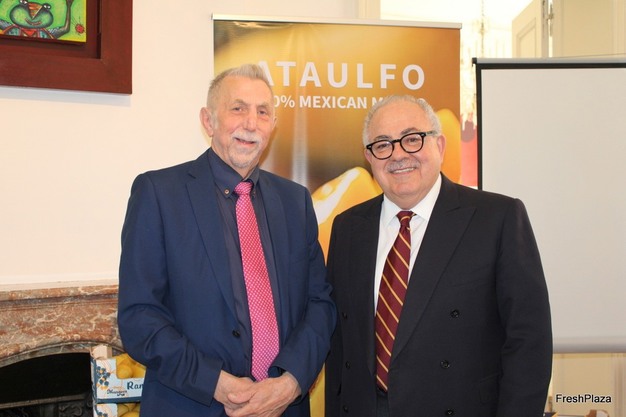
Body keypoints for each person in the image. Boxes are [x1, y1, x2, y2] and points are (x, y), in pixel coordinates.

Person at [117, 64, 336, 417]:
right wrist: (215, 382)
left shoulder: (295, 201)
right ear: (208, 121)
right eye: (238, 108)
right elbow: (139, 316)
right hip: (193, 404)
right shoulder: (159, 194)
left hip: (283, 406)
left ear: (273, 125)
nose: (251, 123)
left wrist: (291, 382)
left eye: (262, 112)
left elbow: (319, 304)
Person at [324, 95, 552, 417]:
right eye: (383, 144)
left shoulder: (496, 218)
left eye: (412, 139)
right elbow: (341, 345)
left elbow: (529, 340)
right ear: (369, 157)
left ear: (440, 146)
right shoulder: (348, 227)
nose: (398, 155)